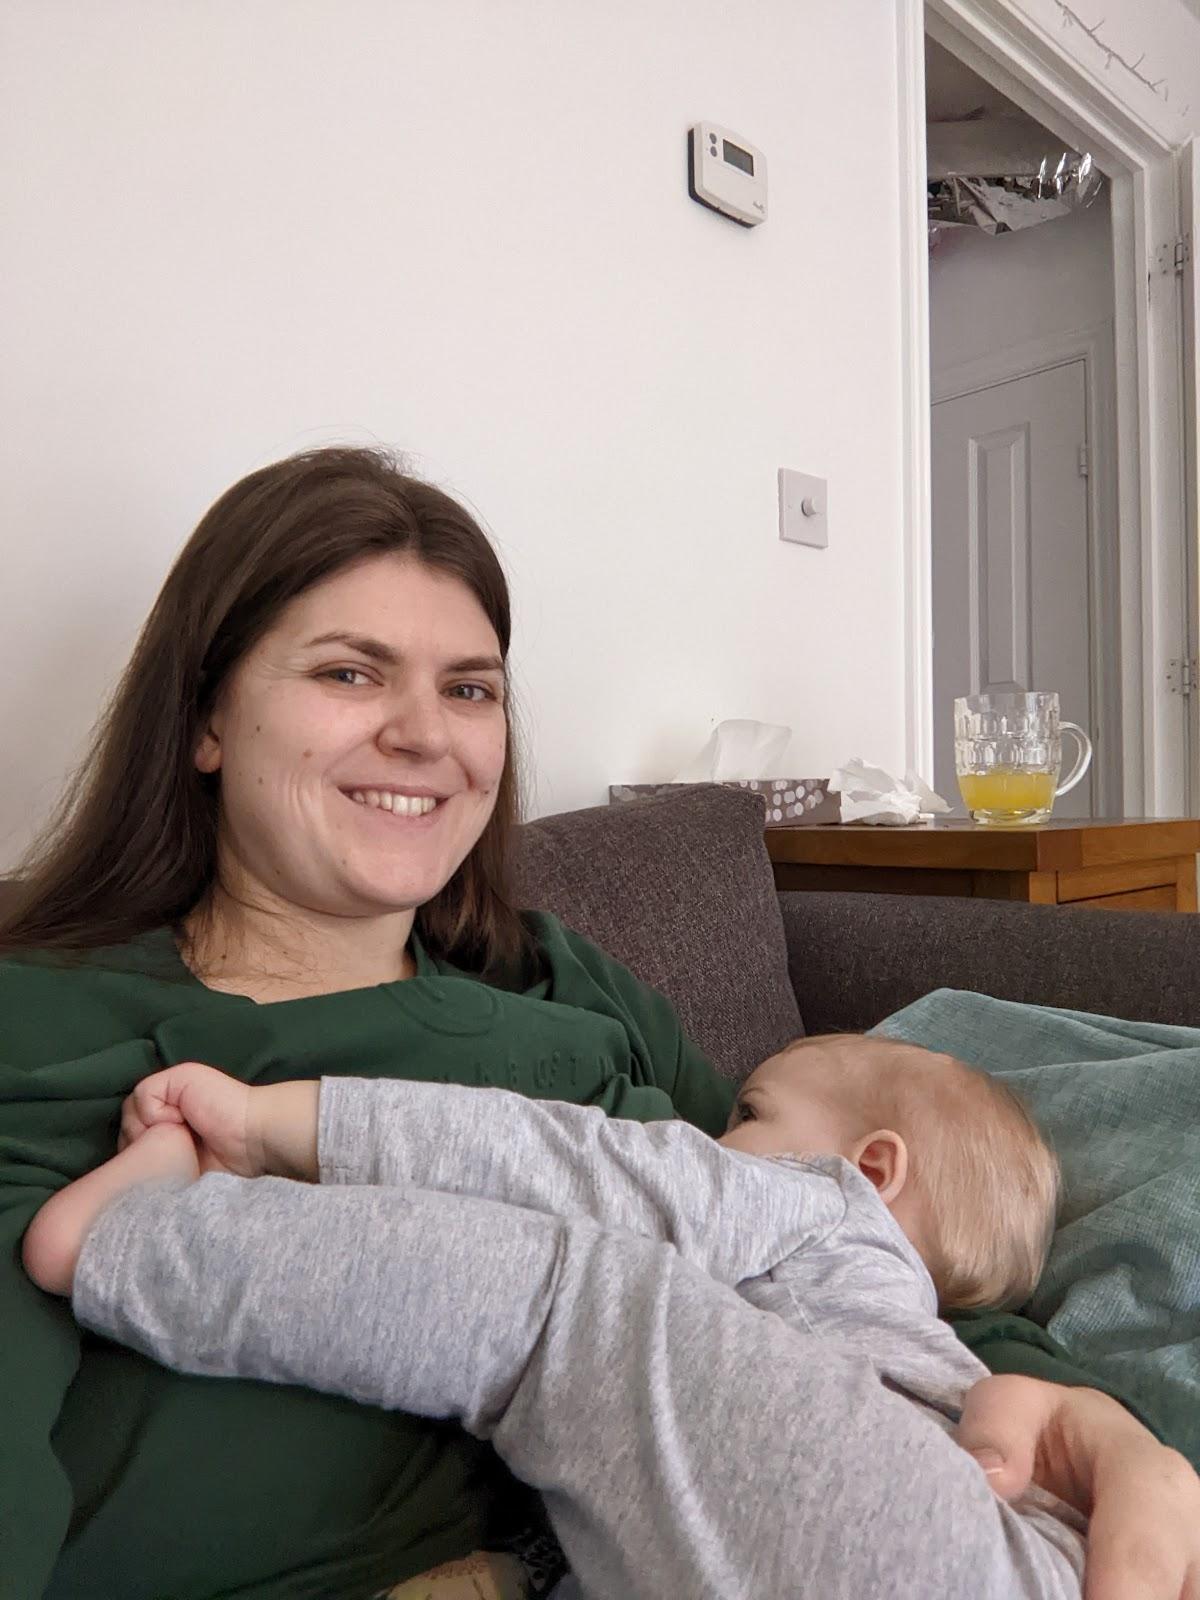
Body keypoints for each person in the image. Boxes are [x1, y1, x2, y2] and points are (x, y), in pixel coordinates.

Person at [2, 446, 1198, 1600]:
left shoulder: (550, 976)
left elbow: (841, 1231)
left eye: (469, 688)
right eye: (350, 673)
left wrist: (1078, 1419)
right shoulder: (55, 1021)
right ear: (207, 718)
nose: (428, 733)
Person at [25, 1033, 1087, 1599]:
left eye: (745, 1115)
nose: (701, 1132)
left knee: (570, 1302)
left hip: (978, 1556)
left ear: (873, 1166)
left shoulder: (821, 1203)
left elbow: (577, 1162)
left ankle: (130, 1241)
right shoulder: (870, 1334)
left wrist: (267, 1123)